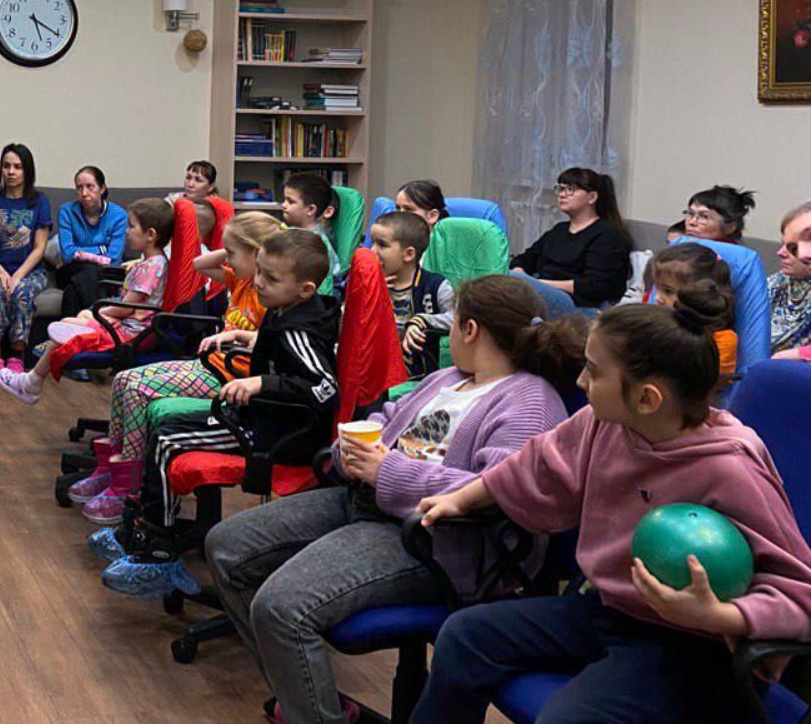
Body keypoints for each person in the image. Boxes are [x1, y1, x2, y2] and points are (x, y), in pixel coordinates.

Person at [410, 289, 811, 724]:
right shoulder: (603, 423)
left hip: (685, 642)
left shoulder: (729, 469)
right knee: (465, 635)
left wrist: (719, 615)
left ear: (647, 399)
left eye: (594, 371)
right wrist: (461, 497)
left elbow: (799, 592)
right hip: (603, 608)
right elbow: (536, 464)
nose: (581, 382)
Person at [204, 275, 586, 724]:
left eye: (454, 322)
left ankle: (311, 711)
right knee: (226, 547)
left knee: (281, 607)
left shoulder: (529, 401)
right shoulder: (448, 378)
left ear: (470, 329)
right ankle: (308, 701)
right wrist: (354, 451)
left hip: (433, 538)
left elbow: (497, 490)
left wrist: (387, 470)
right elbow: (385, 422)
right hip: (369, 501)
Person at [97, 228, 340, 596]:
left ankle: (158, 551)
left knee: (167, 440)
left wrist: (262, 384)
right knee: (166, 429)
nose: (259, 282)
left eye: (271, 278)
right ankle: (146, 532)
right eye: (259, 271)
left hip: (279, 433)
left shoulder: (299, 331)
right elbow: (284, 355)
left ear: (305, 290)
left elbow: (326, 389)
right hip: (264, 418)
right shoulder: (285, 310)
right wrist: (246, 339)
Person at [69, 212, 283, 519]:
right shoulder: (240, 279)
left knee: (138, 390)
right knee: (124, 379)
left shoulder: (266, 293)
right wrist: (232, 249)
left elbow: (271, 339)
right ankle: (111, 467)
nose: (228, 260)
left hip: (228, 376)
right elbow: (199, 265)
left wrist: (255, 252)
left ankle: (129, 486)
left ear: (257, 254)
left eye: (233, 254)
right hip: (209, 365)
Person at [0, 197, 174, 405]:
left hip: (130, 335)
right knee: (81, 317)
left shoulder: (150, 268)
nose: (126, 231)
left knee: (67, 325)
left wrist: (102, 313)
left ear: (151, 234)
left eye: (132, 226)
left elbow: (125, 309)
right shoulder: (154, 262)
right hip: (131, 327)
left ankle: (31, 383)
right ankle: (33, 380)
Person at [0, 143, 53, 378]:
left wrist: (17, 276)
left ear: (27, 170)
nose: (11, 171)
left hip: (30, 272)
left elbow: (39, 248)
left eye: (17, 167)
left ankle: (17, 355)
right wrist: (0, 272)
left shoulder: (39, 201)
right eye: (6, 166)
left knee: (21, 292)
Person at [510, 167, 632, 316]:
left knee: (510, 283)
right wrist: (520, 272)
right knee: (499, 278)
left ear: (592, 197)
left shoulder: (607, 235)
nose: (562, 194)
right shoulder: (559, 230)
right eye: (560, 189)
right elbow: (524, 259)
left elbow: (595, 286)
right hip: (545, 292)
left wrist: (537, 284)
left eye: (570, 189)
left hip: (577, 304)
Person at [369, 211, 454, 379]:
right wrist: (367, 297)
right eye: (372, 243)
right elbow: (345, 327)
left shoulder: (435, 285)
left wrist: (421, 321)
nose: (372, 251)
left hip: (415, 379)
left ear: (409, 254)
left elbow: (458, 319)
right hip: (373, 373)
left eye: (382, 245)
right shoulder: (369, 283)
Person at [643, 243, 738, 375]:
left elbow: (704, 383)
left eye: (668, 291)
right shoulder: (654, 323)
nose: (657, 298)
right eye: (656, 288)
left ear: (702, 294)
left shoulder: (721, 341)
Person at [56, 165, 129, 318]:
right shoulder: (66, 211)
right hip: (70, 270)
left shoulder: (119, 215)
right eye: (79, 188)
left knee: (72, 291)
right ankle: (99, 321)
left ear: (102, 188)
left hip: (106, 275)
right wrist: (102, 250)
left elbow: (113, 259)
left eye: (90, 187)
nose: (84, 193)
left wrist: (81, 253)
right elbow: (67, 255)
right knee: (88, 271)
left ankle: (70, 330)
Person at [281, 172, 342, 287]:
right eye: (284, 200)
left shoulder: (318, 243)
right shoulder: (292, 232)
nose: (284, 205)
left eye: (290, 201)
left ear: (310, 209)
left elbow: (326, 285)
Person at [771, 201, 811, 358]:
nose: (780, 253)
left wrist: (795, 355)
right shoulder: (778, 281)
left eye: (793, 248)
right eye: (783, 244)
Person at [684, 184, 756, 243]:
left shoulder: (737, 255)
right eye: (690, 213)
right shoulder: (682, 244)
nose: (692, 222)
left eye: (704, 217)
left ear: (730, 227)